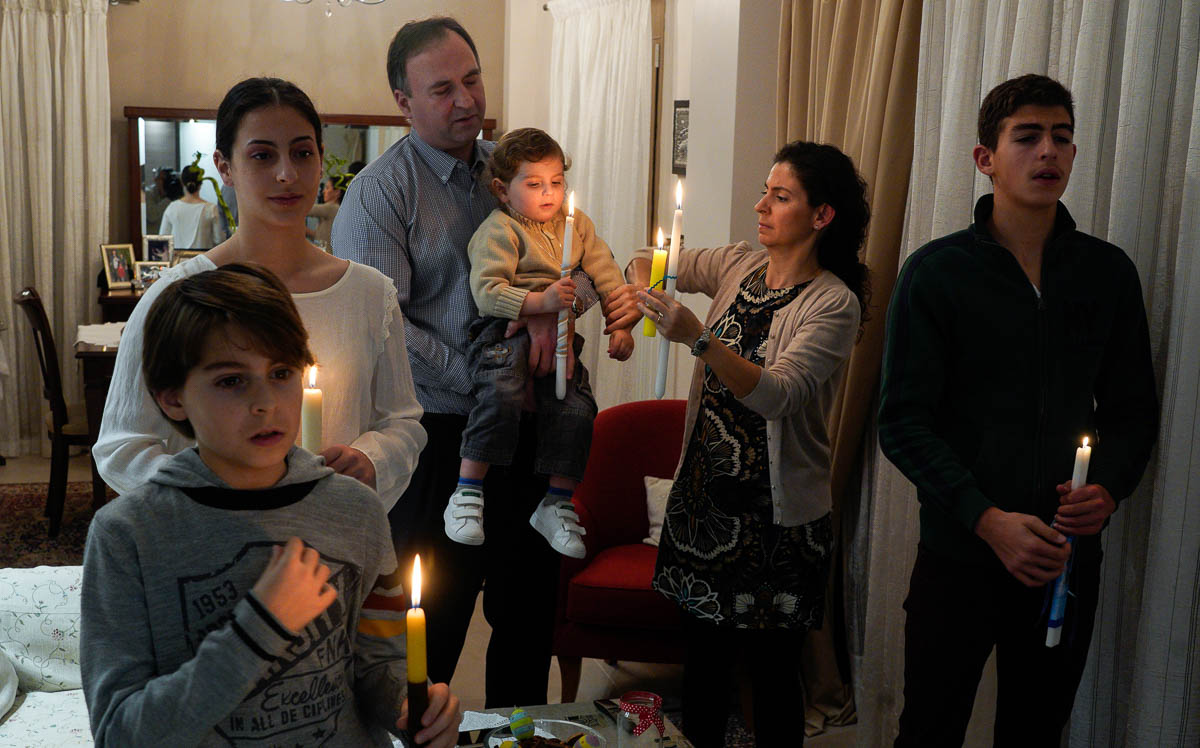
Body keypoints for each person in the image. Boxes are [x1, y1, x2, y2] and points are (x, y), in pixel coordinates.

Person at [332, 16, 640, 705]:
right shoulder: (381, 193)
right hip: (438, 439)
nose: (466, 99)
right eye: (442, 88)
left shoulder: (518, 169)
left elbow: (583, 261)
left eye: (472, 79)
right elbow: (383, 328)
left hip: (530, 433)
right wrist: (488, 374)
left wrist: (552, 313)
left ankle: (518, 737)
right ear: (403, 102)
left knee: (527, 619)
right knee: (432, 630)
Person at [878, 74, 1158, 746]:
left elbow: (1133, 410)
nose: (1048, 151)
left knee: (1036, 729)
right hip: (961, 553)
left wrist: (1109, 489)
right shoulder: (937, 272)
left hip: (1062, 555)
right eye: (1027, 137)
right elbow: (902, 422)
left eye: (1061, 137)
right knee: (930, 729)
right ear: (986, 158)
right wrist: (987, 519)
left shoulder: (1106, 273)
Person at [81, 264, 461, 747]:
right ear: (172, 398)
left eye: (281, 373)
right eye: (231, 381)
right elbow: (119, 733)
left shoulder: (356, 510)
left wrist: (412, 707)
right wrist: (259, 630)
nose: (266, 403)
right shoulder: (128, 534)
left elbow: (378, 664)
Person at [93, 77, 427, 516]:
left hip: (331, 528)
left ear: (320, 159)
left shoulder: (369, 293)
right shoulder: (178, 296)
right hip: (214, 536)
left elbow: (402, 422)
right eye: (262, 155)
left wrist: (371, 458)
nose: (287, 174)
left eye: (302, 153)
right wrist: (212, 489)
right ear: (225, 166)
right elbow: (121, 445)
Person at [631, 141, 869, 748]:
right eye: (766, 191)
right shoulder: (739, 264)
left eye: (780, 197)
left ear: (822, 215)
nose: (760, 206)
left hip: (775, 526)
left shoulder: (833, 302)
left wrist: (698, 338)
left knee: (772, 678)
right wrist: (642, 290)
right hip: (703, 508)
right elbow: (647, 261)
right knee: (703, 672)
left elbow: (779, 394)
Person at [446, 127, 634, 556]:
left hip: (562, 329)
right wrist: (538, 303)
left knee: (577, 405)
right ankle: (468, 490)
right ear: (502, 189)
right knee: (500, 392)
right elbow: (487, 292)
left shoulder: (575, 224)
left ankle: (557, 502)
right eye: (534, 184)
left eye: (556, 182)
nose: (549, 193)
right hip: (502, 329)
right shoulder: (500, 229)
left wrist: (620, 323)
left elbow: (604, 270)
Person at [159, 163, 226, 249]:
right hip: (204, 257)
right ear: (201, 184)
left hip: (177, 257)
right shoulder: (211, 209)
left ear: (182, 182)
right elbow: (219, 240)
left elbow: (162, 239)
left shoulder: (172, 208)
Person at [308, 160, 362, 250]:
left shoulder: (332, 208)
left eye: (327, 188)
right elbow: (320, 237)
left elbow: (306, 209)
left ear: (337, 192)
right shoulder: (338, 209)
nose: (323, 191)